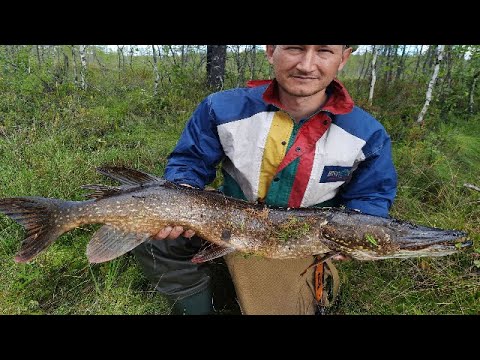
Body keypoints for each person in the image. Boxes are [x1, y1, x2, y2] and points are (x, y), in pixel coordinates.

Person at [132, 45, 397, 315]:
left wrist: (358, 235)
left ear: (343, 58)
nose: (306, 65)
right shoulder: (222, 108)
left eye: (324, 51)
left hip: (301, 240)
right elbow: (191, 162)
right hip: (224, 219)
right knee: (154, 235)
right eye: (295, 48)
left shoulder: (367, 134)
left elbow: (371, 197)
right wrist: (183, 188)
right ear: (271, 51)